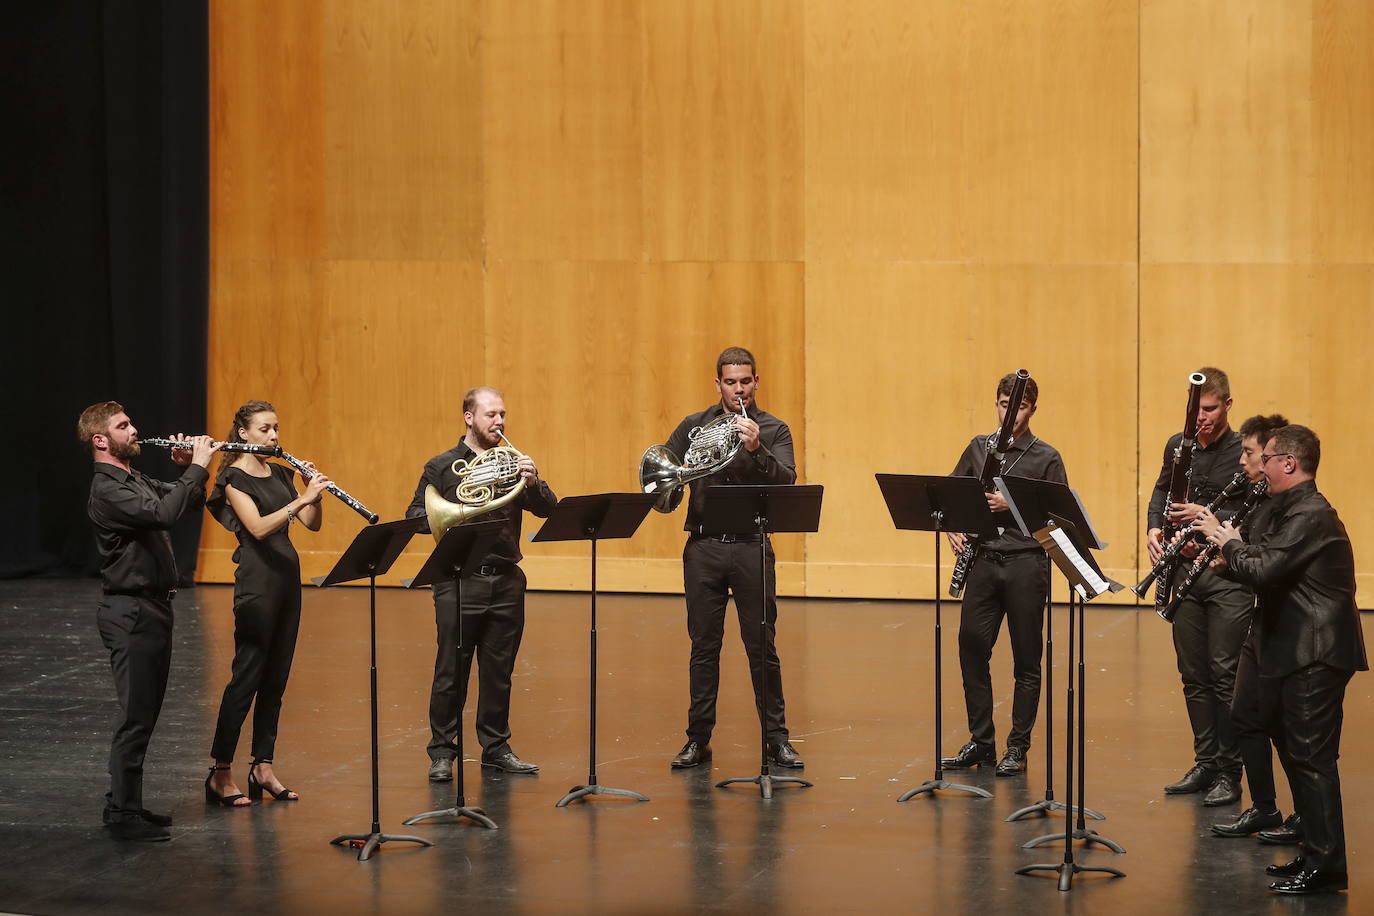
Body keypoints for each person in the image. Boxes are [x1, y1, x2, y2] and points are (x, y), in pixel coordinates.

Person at [1198, 424, 1367, 894]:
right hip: (1297, 648)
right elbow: (1266, 562)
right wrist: (1229, 549)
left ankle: (1328, 864)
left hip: (1316, 652)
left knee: (1313, 761)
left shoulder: (1311, 513)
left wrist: (1224, 539)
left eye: (1267, 458)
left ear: (1288, 463)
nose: (1259, 466)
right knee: (1301, 753)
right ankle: (1314, 853)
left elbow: (1264, 567)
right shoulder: (1293, 510)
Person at [81, 401, 217, 842]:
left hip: (153, 608)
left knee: (146, 712)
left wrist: (188, 472)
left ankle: (128, 805)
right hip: (130, 611)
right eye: (123, 426)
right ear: (101, 439)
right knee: (135, 716)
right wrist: (196, 465)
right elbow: (162, 515)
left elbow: (186, 504)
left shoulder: (133, 478)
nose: (134, 429)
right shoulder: (107, 489)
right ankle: (122, 812)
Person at [664, 347, 802, 770]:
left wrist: (757, 450)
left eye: (745, 381)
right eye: (730, 382)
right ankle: (697, 740)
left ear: (756, 382)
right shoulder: (693, 427)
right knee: (704, 648)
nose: (738, 389)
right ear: (718, 383)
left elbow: (788, 482)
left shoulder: (774, 429)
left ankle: (776, 740)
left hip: (751, 547)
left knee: (762, 647)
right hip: (703, 548)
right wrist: (675, 477)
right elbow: (664, 486)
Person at [407, 386, 555, 779]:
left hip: (506, 579)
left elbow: (548, 508)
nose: (500, 422)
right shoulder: (442, 466)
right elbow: (418, 516)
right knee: (450, 671)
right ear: (469, 418)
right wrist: (459, 509)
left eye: (503, 414)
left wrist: (534, 479)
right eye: (491, 415)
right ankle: (442, 752)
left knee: (498, 671)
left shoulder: (511, 462)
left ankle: (495, 747)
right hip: (459, 579)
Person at [204, 400, 330, 807]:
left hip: (286, 583)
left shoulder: (278, 471)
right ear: (243, 433)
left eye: (276, 428)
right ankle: (220, 771)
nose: (274, 436)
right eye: (265, 429)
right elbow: (257, 528)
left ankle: (262, 766)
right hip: (257, 585)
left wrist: (316, 494)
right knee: (247, 676)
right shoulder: (233, 478)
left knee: (276, 679)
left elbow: (312, 524)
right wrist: (298, 499)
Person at [940, 373, 1067, 776]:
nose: (1009, 414)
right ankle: (982, 742)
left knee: (1027, 660)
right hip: (984, 561)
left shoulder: (1046, 457)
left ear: (1032, 409)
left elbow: (1057, 519)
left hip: (1027, 563)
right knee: (971, 648)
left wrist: (1009, 505)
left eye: (1020, 407)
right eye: (1002, 404)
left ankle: (1017, 747)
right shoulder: (980, 448)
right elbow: (951, 494)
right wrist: (953, 528)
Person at [1147, 367, 1252, 806]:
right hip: (1184, 577)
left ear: (1227, 405)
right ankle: (1206, 761)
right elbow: (1159, 494)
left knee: (1225, 675)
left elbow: (1249, 508)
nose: (1201, 418)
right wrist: (1154, 530)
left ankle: (1231, 772)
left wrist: (1203, 525)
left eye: (1209, 409)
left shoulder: (1244, 451)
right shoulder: (1178, 445)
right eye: (1196, 410)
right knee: (1193, 675)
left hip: (1225, 576)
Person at [1208, 413, 1296, 839]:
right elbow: (1248, 565)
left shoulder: (1289, 508)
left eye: (1248, 453)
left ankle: (1304, 817)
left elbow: (1266, 566)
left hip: (1290, 631)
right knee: (1245, 713)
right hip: (1263, 626)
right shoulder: (1258, 499)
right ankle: (1264, 808)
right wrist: (1218, 562)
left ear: (1273, 457)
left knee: (1285, 727)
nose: (1241, 461)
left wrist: (1228, 542)